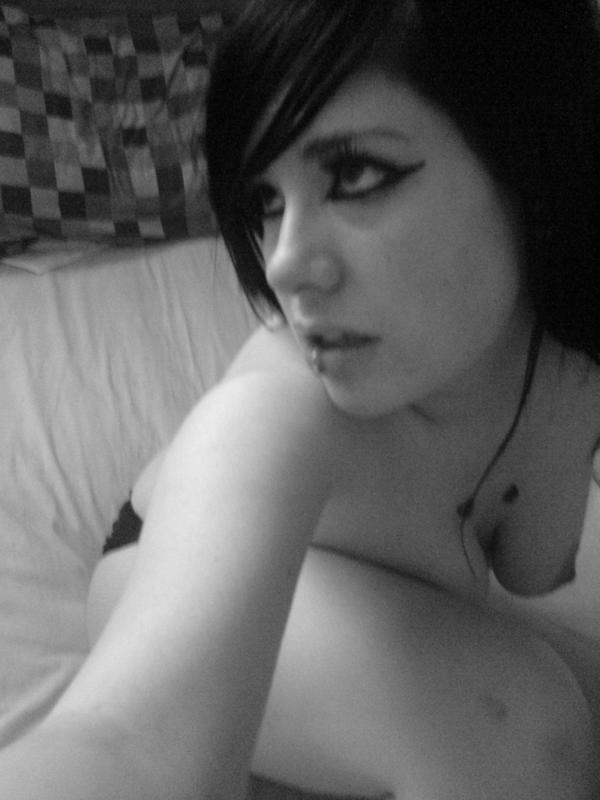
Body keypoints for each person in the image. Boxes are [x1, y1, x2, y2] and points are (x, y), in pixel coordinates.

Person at [2, 0, 600, 797]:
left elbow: (533, 568)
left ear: (532, 160)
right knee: (524, 727)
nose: (282, 265)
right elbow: (132, 741)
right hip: (160, 562)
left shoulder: (574, 364)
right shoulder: (277, 413)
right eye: (265, 203)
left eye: (355, 177)